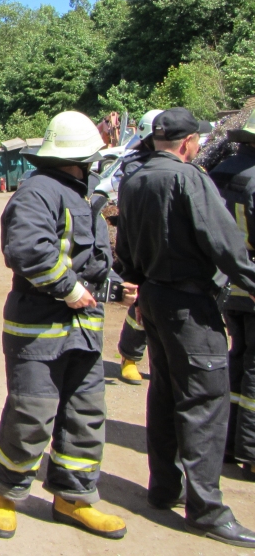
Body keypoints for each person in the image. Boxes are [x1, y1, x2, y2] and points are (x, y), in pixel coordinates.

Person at [117, 107, 255, 548]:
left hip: (154, 299)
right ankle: (207, 511)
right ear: (189, 143)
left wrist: (139, 289)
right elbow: (225, 242)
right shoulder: (189, 178)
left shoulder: (134, 179)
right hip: (191, 307)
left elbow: (125, 250)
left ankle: (164, 488)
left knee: (164, 394)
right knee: (204, 403)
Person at [0, 111, 127, 540]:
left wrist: (117, 286)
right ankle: (4, 495)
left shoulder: (81, 196)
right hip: (38, 333)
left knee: (85, 416)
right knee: (31, 415)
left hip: (83, 331)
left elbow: (93, 260)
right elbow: (26, 249)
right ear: (81, 158)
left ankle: (73, 498)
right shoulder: (38, 193)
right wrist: (69, 288)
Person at [209, 112, 255, 474]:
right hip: (252, 282)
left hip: (227, 283)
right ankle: (251, 451)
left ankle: (226, 443)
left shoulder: (221, 171)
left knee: (237, 358)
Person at [115, 108, 163, 385]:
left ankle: (162, 362)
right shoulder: (135, 168)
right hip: (143, 244)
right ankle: (130, 357)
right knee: (140, 303)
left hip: (168, 245)